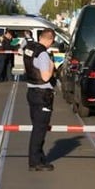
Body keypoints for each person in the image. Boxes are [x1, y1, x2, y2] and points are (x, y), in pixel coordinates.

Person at [23, 28, 56, 171]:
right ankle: (35, 161)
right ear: (49, 40)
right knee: (39, 129)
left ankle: (39, 156)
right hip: (43, 95)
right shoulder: (43, 54)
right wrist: (52, 65)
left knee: (37, 127)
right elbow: (45, 77)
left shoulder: (29, 48)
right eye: (52, 42)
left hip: (31, 92)